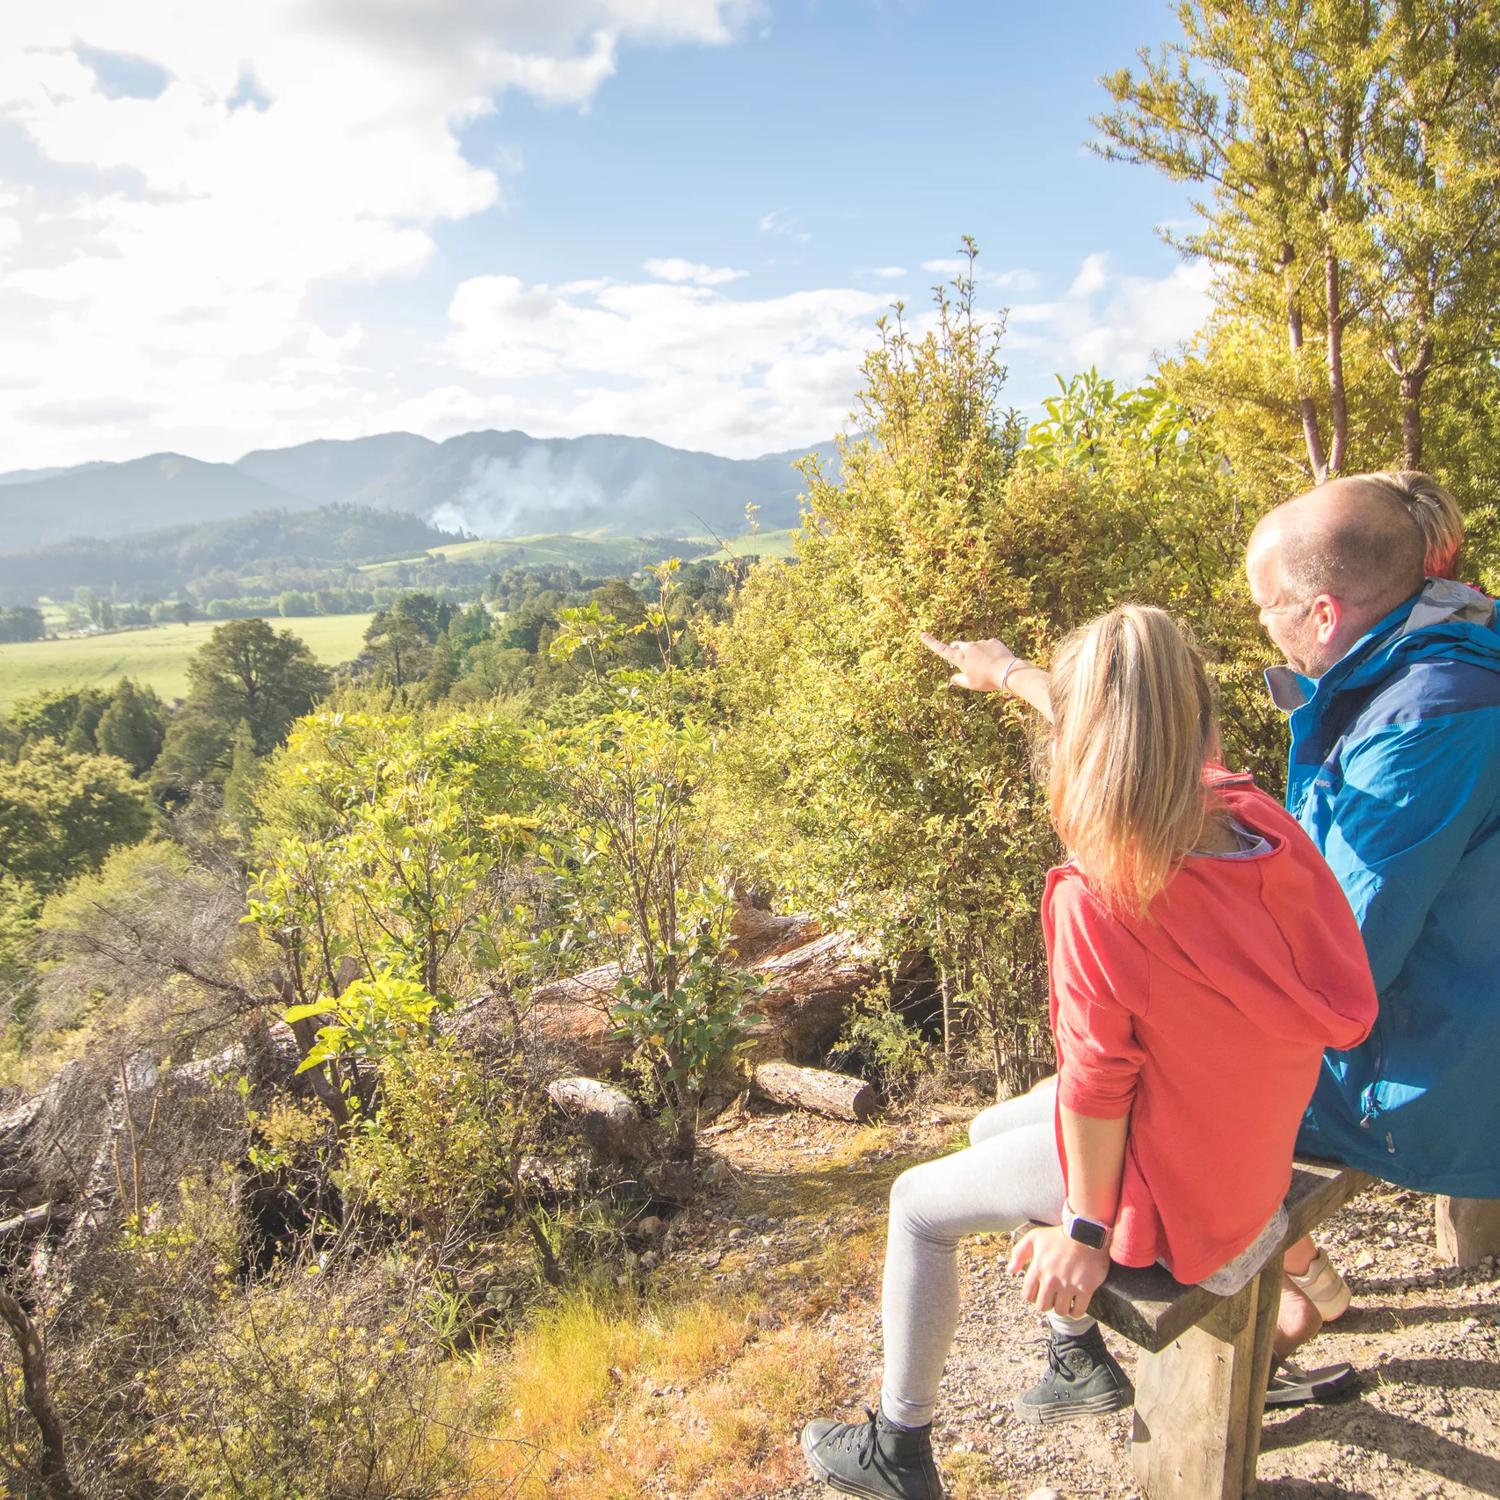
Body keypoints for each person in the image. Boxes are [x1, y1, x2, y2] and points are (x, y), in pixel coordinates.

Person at [799, 606, 1378, 1500]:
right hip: (1243, 1146)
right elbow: (1131, 729)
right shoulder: (1261, 822)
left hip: (1185, 1206)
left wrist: (1084, 1231)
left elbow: (1102, 1088)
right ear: (1200, 722)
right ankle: (1077, 1360)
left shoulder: (1105, 894)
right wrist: (1015, 676)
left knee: (914, 1202)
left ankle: (897, 1449)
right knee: (994, 1122)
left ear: (1090, 745)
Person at [1244, 472, 1500, 1356]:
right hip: (1464, 1004)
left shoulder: (1422, 722)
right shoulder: (1461, 649)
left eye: (1267, 607)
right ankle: (1308, 1281)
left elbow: (1341, 967)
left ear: (1321, 614)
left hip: (1443, 1067)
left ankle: (1271, 1322)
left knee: (1164, 1098)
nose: (1262, 628)